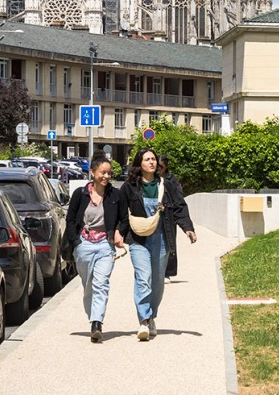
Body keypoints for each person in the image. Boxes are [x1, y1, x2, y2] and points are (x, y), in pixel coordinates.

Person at [124, 146, 196, 340]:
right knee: (143, 277)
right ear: (139, 163)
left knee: (157, 282)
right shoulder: (130, 186)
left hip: (162, 237)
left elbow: (180, 206)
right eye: (147, 159)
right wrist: (116, 234)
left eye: (153, 159)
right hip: (139, 239)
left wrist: (187, 227)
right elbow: (122, 211)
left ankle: (152, 315)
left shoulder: (167, 184)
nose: (152, 162)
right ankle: (143, 321)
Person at [65, 157, 127, 343]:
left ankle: (96, 323)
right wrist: (75, 241)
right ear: (92, 172)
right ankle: (93, 316)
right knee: (88, 285)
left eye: (109, 173)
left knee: (101, 283)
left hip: (105, 246)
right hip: (83, 244)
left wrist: (118, 232)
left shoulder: (116, 195)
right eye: (103, 172)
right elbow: (70, 219)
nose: (106, 176)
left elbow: (124, 219)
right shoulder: (80, 194)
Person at [157, 154, 191, 281]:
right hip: (151, 218)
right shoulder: (147, 180)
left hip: (167, 216)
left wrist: (187, 227)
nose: (157, 169)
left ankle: (166, 272)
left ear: (165, 167)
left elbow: (179, 203)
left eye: (160, 167)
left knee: (167, 244)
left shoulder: (171, 180)